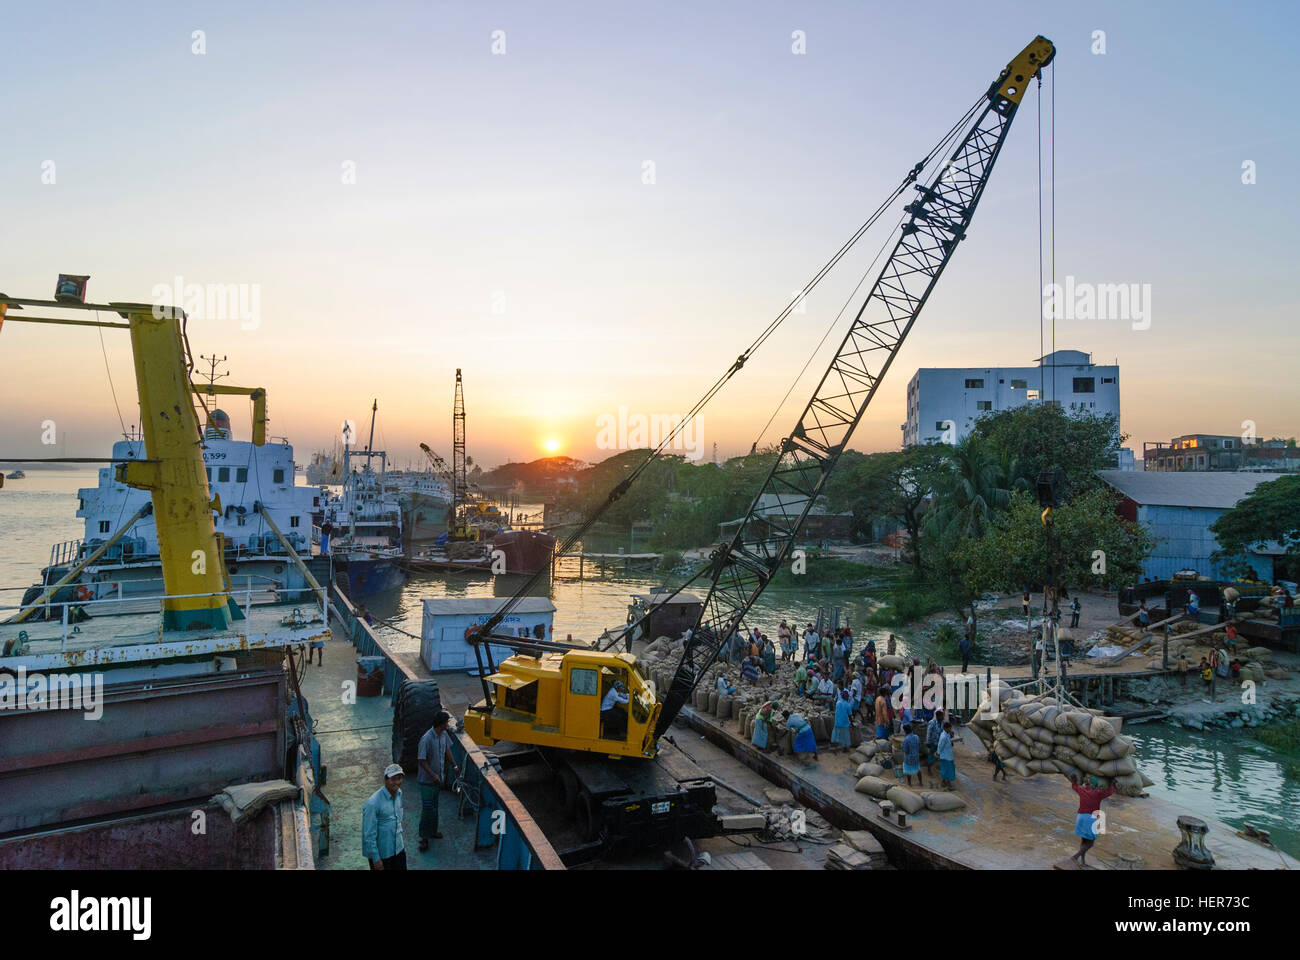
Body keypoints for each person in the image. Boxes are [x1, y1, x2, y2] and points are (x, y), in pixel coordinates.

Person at [416, 711, 459, 850]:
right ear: (442, 724)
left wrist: (454, 765)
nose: (448, 725)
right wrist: (433, 775)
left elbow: (447, 750)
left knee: (434, 808)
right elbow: (421, 760)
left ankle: (433, 832)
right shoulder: (426, 739)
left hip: (438, 780)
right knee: (427, 809)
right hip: (427, 782)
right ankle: (423, 837)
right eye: (447, 722)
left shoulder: (444, 735)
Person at [362, 763, 407, 870]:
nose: (397, 782)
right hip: (383, 854)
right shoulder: (373, 803)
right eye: (393, 779)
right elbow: (369, 834)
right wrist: (376, 858)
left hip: (398, 849)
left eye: (399, 778)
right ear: (385, 780)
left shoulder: (399, 794)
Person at [1069, 775, 1115, 868]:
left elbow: (1074, 786)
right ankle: (1075, 857)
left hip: (1080, 817)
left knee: (1084, 841)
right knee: (1090, 843)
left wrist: (1074, 781)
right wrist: (1112, 784)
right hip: (1090, 819)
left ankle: (1083, 861)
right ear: (1095, 785)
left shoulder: (1081, 789)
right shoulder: (1098, 793)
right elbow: (1109, 792)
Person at [937, 721, 956, 789]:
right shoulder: (944, 737)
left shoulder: (946, 734)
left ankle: (943, 782)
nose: (950, 729)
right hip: (946, 756)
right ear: (946, 728)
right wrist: (938, 753)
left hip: (948, 755)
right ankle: (948, 783)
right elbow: (940, 746)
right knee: (948, 770)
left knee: (945, 769)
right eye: (949, 728)